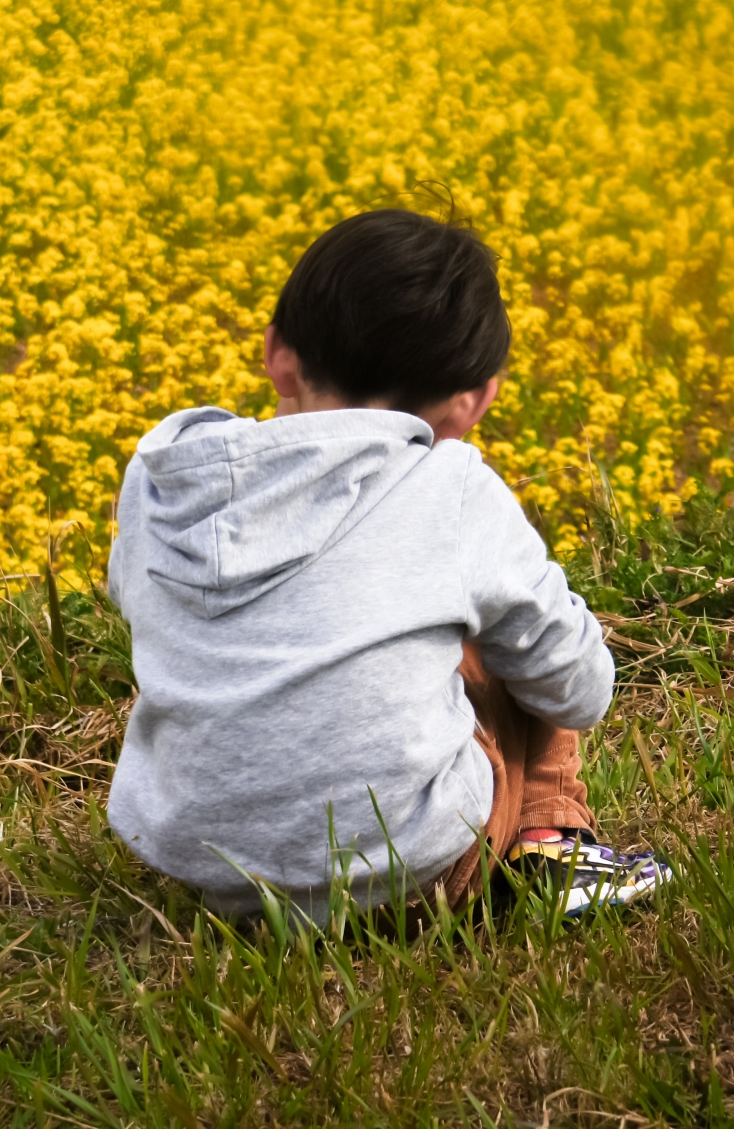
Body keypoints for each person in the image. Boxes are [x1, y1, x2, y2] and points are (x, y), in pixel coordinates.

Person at [104, 208, 671, 920]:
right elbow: (578, 692)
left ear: (277, 353)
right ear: (471, 403)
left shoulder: (164, 474)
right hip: (413, 874)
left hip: (211, 879)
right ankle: (554, 844)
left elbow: (131, 597)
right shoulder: (453, 489)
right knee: (515, 633)